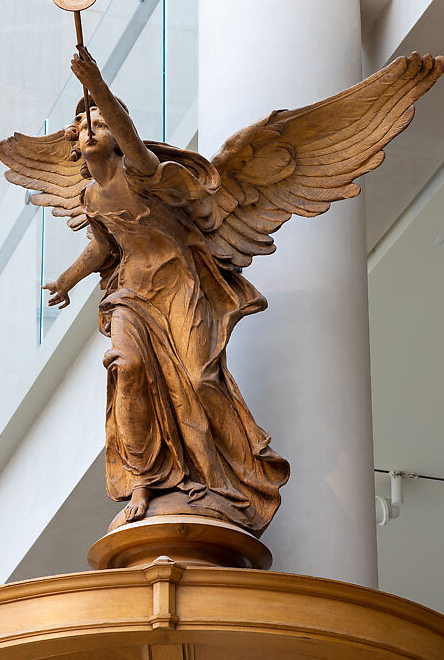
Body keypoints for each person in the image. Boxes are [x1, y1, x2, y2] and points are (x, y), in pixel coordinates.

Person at [40, 48, 290, 535]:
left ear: (118, 136)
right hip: (131, 295)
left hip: (178, 286)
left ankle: (220, 481)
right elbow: (103, 246)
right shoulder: (90, 196)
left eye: (100, 121)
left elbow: (132, 140)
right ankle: (143, 482)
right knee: (127, 370)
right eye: (83, 124)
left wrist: (97, 85)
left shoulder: (141, 171)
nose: (91, 128)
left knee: (199, 380)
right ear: (74, 145)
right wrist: (67, 280)